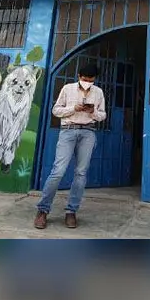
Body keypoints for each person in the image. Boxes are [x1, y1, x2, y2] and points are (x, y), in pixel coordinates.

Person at [35, 63, 106, 230]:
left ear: (94, 79)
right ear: (79, 76)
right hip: (68, 130)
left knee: (81, 173)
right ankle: (42, 210)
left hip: (88, 132)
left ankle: (71, 211)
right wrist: (73, 109)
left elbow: (102, 115)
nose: (86, 82)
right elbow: (56, 111)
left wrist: (92, 112)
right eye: (84, 79)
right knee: (58, 171)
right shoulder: (67, 89)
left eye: (90, 80)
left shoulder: (99, 92)